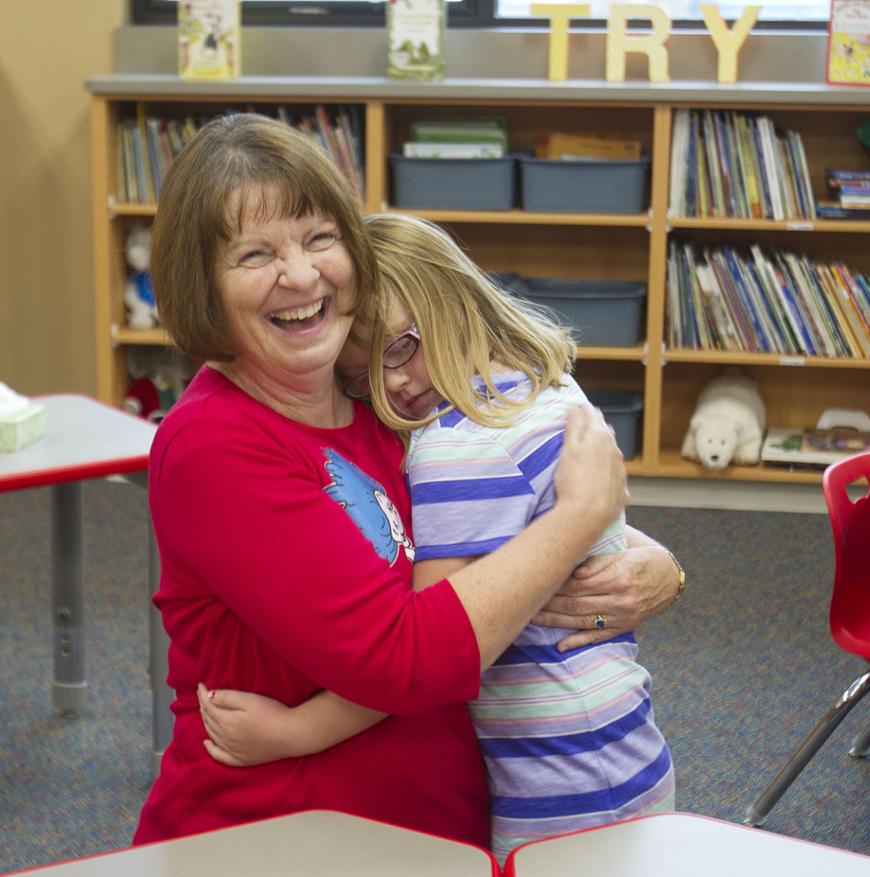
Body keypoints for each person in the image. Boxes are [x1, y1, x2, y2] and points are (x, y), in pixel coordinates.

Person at [135, 113, 681, 847]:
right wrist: (580, 518)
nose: (300, 275)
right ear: (202, 285)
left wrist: (655, 561)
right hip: (286, 837)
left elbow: (501, 522)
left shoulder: (380, 400)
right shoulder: (214, 445)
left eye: (319, 238)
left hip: (457, 825)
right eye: (254, 254)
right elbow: (404, 662)